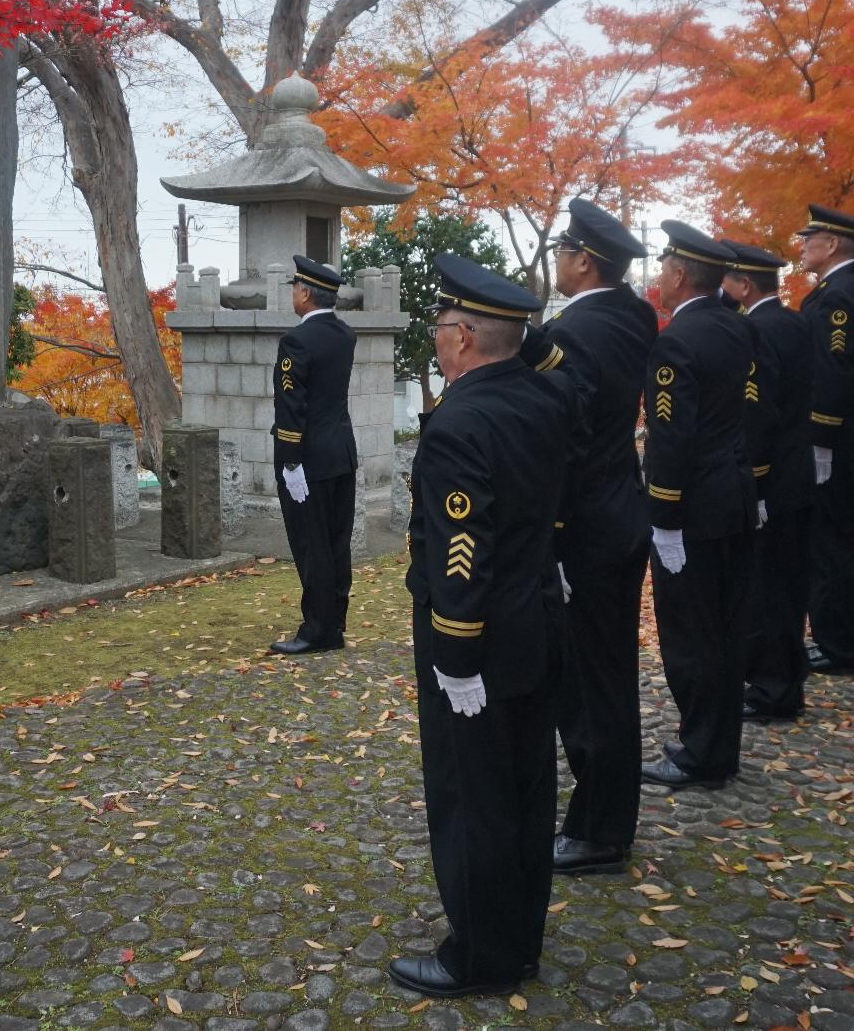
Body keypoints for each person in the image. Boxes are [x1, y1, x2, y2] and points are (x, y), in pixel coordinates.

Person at [388, 254, 574, 999]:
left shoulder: (461, 420)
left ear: (464, 336)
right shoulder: (544, 398)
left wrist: (456, 652)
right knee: (527, 787)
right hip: (536, 618)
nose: (434, 338)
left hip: (480, 636)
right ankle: (518, 936)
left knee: (473, 796)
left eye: (440, 326)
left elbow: (460, 551)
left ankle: (481, 954)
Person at [517, 199, 658, 876]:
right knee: (611, 676)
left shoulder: (574, 330)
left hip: (585, 527)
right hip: (621, 508)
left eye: (563, 253)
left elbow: (561, 434)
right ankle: (607, 817)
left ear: (584, 259)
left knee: (589, 683)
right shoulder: (634, 315)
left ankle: (599, 829)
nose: (559, 263)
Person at [640, 222, 757, 790]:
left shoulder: (677, 340)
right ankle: (719, 743)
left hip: (692, 510)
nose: (659, 278)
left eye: (664, 268)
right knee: (727, 630)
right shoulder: (736, 327)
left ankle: (700, 750)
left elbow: (670, 434)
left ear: (681, 274)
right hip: (732, 496)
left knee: (690, 635)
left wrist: (663, 517)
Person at [719, 239, 816, 723]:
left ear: (743, 283)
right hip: (798, 468)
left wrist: (753, 484)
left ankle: (774, 689)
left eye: (728, 279)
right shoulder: (794, 322)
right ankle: (785, 678)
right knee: (789, 584)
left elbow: (756, 414)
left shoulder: (755, 330)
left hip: (772, 475)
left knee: (770, 589)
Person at [794, 205, 854, 678]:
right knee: (837, 540)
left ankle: (838, 644)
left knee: (832, 542)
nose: (803, 245)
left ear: (832, 245)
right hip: (849, 432)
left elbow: (834, 372)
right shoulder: (844, 287)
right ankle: (835, 637)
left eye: (811, 238)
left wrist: (821, 436)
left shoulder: (841, 294)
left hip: (839, 435)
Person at [268, 254, 358, 656]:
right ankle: (335, 621)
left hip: (307, 458)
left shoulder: (297, 341)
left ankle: (318, 630)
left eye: (294, 288)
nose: (293, 294)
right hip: (341, 451)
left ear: (305, 293)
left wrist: (289, 460)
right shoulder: (344, 335)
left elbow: (292, 405)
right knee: (337, 542)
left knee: (312, 544)